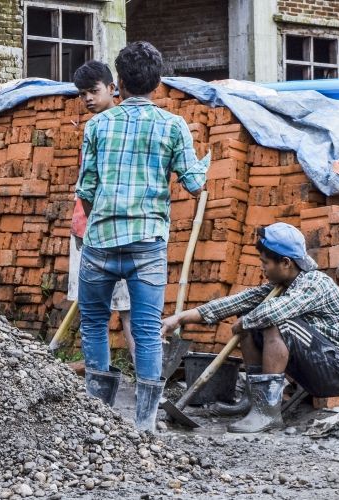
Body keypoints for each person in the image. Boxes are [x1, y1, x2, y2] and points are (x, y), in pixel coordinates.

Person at [76, 41, 207, 433]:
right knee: (147, 330)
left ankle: (99, 416)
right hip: (147, 243)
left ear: (118, 83)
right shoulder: (173, 125)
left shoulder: (97, 124)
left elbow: (85, 189)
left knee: (95, 323)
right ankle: (145, 424)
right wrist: (201, 168)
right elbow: (194, 185)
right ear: (159, 83)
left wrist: (101, 212)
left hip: (100, 240)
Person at [161, 223, 339, 433]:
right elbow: (233, 303)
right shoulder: (281, 286)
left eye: (265, 263)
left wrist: (245, 323)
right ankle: (254, 401)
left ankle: (267, 413)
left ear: (285, 262)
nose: (262, 268)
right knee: (250, 315)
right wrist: (179, 319)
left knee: (273, 321)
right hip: (322, 366)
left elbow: (273, 313)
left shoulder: (314, 283)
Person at [65, 61, 134, 369]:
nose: (88, 99)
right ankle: (98, 376)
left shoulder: (125, 126)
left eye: (93, 91)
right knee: (94, 311)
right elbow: (86, 186)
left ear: (112, 88)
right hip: (84, 228)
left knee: (131, 309)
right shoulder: (92, 128)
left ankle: (144, 377)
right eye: (83, 94)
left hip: (115, 231)